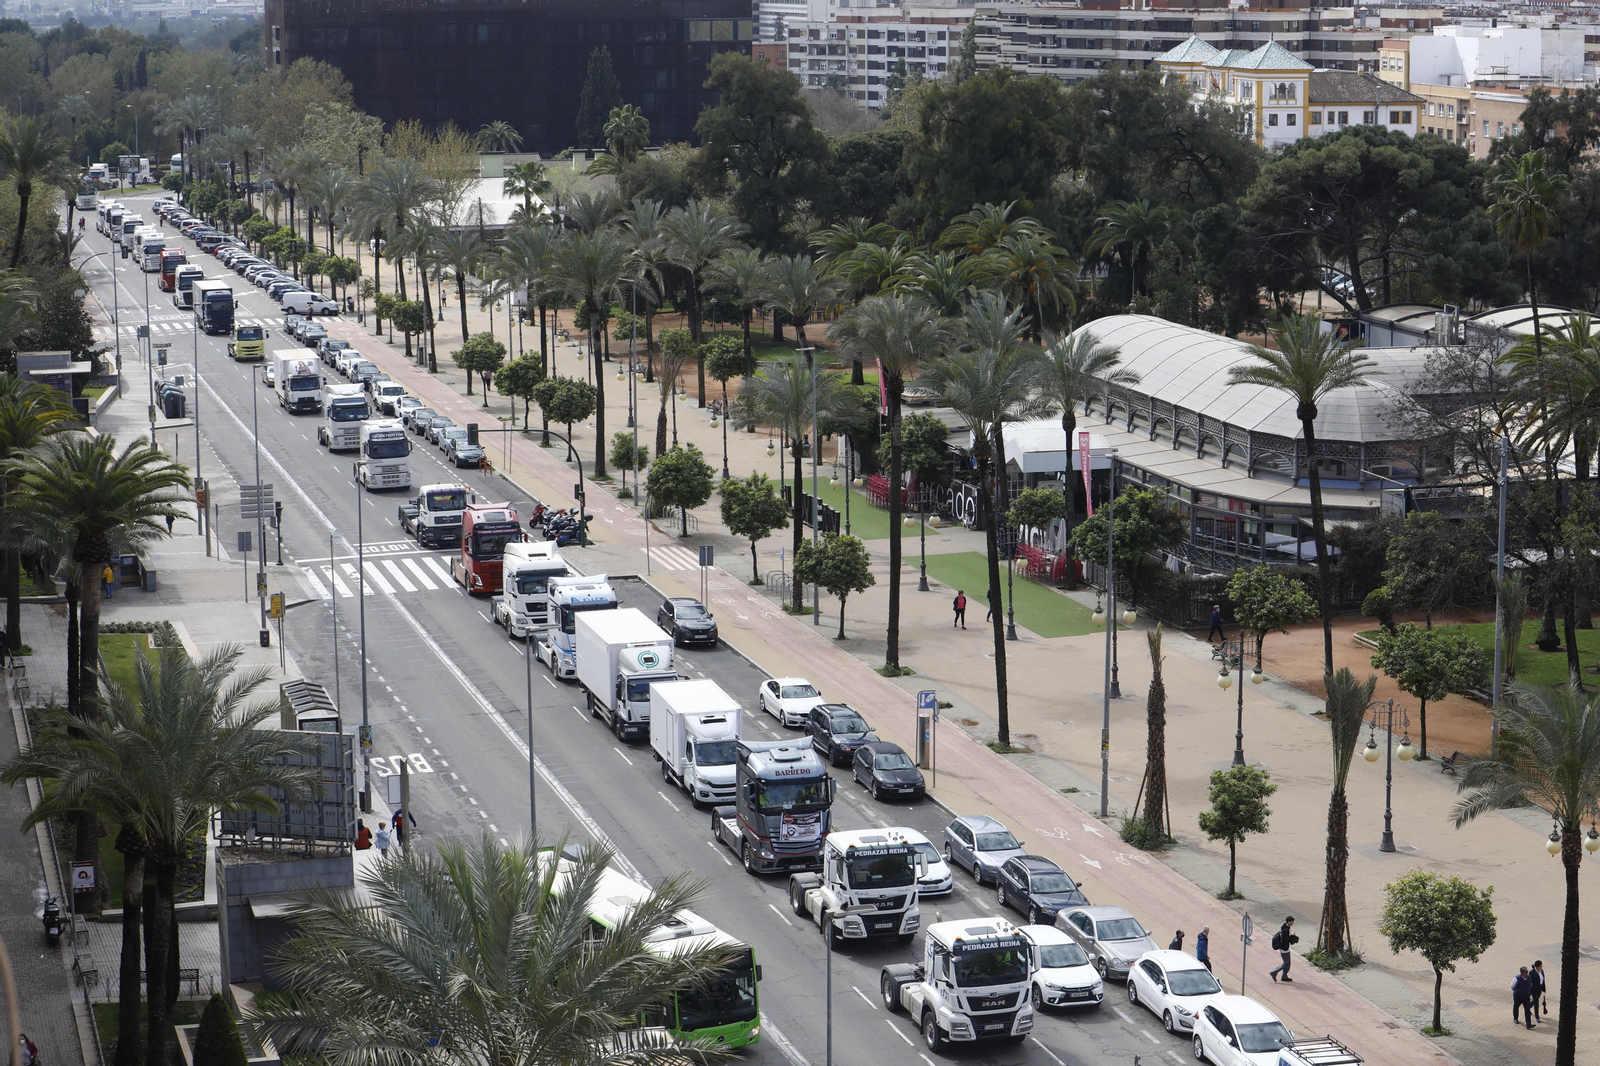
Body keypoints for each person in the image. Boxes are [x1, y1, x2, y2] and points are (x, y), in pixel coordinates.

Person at [1269, 916, 1298, 982]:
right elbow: (1286, 940)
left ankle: (1284, 976)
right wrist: (1293, 936)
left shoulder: (1284, 927)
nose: (1293, 923)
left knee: (1288, 963)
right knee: (1286, 963)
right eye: (1292, 922)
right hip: (1284, 948)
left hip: (1284, 948)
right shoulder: (1286, 930)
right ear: (1289, 922)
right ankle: (1274, 972)